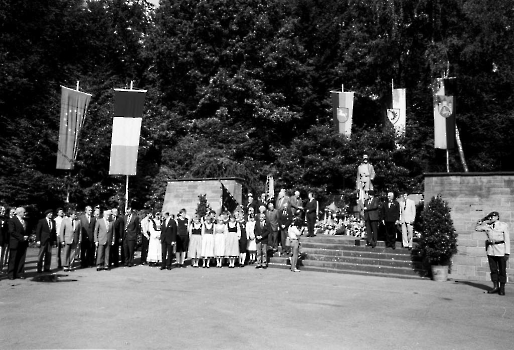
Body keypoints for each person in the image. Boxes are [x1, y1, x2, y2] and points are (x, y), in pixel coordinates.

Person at [476, 212, 510, 295]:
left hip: (501, 250)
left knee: (502, 270)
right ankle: (495, 287)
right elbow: (477, 228)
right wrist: (482, 221)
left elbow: (507, 240)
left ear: (497, 217)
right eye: (490, 216)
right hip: (491, 250)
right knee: (493, 270)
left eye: (493, 216)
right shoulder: (487, 226)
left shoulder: (503, 225)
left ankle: (502, 288)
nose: (491, 218)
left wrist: (507, 253)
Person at [7, 207, 29, 280]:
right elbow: (12, 231)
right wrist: (22, 237)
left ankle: (19, 273)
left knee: (21, 258)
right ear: (19, 213)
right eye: (24, 212)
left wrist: (26, 237)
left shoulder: (25, 221)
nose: (25, 213)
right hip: (15, 242)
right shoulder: (12, 220)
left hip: (23, 243)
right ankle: (11, 274)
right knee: (13, 259)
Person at [0, 206, 8, 272]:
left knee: (2, 256)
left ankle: (1, 269)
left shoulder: (6, 219)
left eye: (4, 211)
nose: (3, 212)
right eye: (2, 210)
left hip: (4, 240)